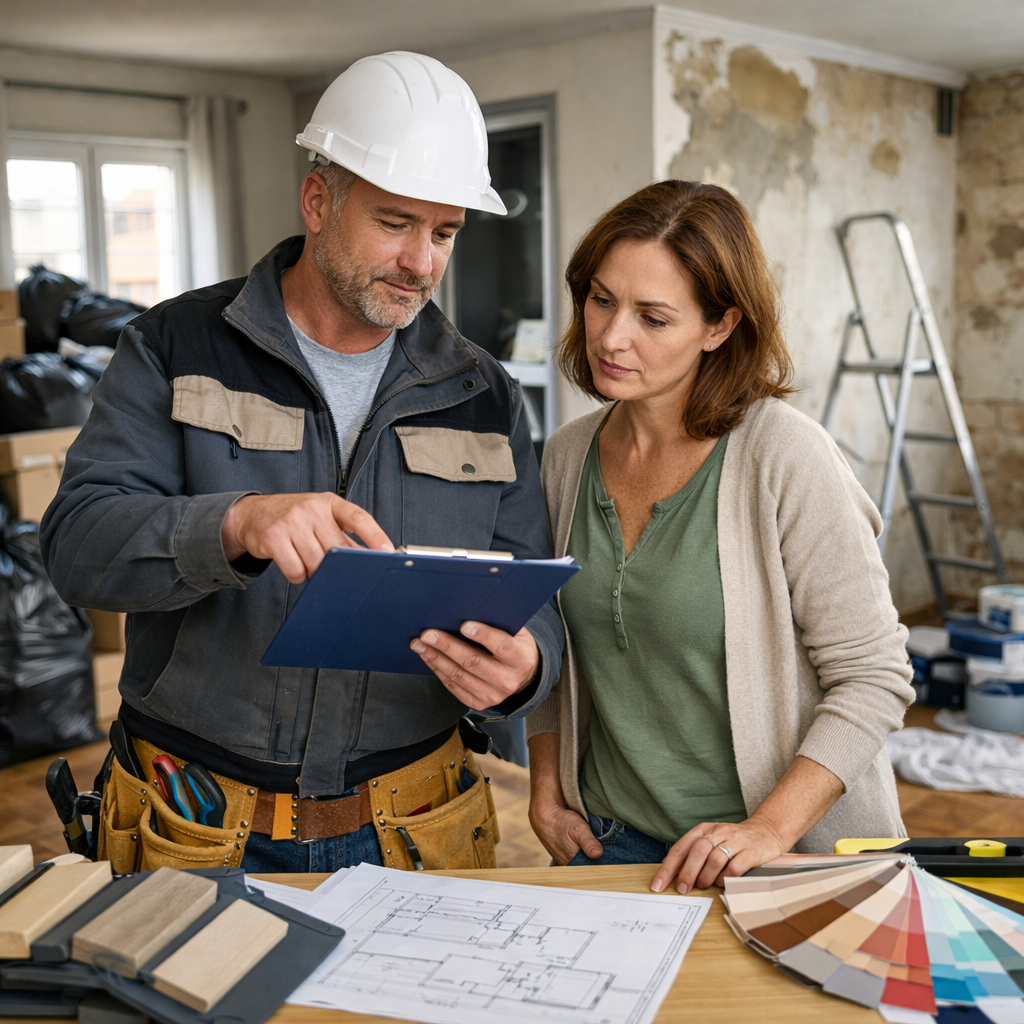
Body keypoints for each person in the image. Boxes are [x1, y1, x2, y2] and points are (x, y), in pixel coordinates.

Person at [41, 51, 563, 874]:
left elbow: (529, 587)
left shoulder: (482, 392)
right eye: (395, 223)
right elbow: (77, 544)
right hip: (194, 825)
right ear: (318, 201)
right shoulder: (173, 346)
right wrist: (237, 523)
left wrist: (527, 664)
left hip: (416, 828)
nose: (423, 262)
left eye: (445, 232)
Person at [526, 180, 914, 894]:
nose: (612, 337)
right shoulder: (563, 457)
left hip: (777, 861)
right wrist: (546, 785)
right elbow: (551, 644)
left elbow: (874, 679)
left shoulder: (785, 456)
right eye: (602, 299)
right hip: (606, 847)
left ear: (719, 325)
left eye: (654, 317)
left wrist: (766, 831)